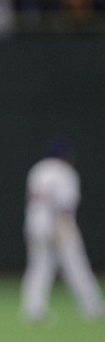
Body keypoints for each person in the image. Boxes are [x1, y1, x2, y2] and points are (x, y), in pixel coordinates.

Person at [21, 137, 104, 323]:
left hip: (34, 223)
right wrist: (62, 231)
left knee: (39, 266)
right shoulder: (64, 172)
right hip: (57, 223)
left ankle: (33, 309)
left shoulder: (38, 170)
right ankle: (92, 306)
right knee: (75, 264)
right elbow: (63, 205)